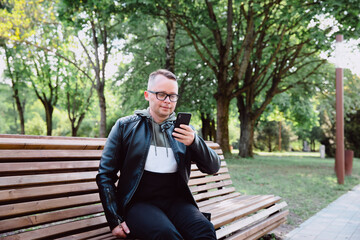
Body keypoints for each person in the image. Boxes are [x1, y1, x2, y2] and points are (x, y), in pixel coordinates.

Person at [96, 69, 221, 239]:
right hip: (138, 205)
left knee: (204, 230)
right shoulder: (125, 127)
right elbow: (105, 175)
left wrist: (195, 142)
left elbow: (212, 167)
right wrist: (114, 219)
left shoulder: (185, 131)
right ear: (148, 95)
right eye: (161, 94)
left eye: (173, 96)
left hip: (176, 202)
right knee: (166, 234)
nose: (167, 101)